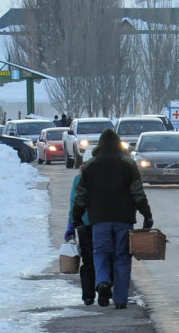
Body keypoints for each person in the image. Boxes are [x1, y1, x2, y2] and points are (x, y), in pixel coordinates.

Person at [70, 128, 153, 309]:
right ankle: (121, 299)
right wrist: (147, 215)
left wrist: (76, 217)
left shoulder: (91, 166)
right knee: (122, 257)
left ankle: (103, 282)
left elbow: (81, 195)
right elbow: (137, 193)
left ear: (100, 145)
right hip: (124, 219)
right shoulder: (128, 165)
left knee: (101, 253)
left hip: (98, 219)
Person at [64, 172, 98, 305]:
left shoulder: (79, 178)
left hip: (83, 223)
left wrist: (71, 225)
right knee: (105, 257)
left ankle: (88, 296)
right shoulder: (109, 175)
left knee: (88, 260)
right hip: (103, 222)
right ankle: (105, 287)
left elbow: (74, 202)